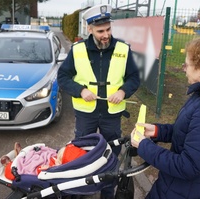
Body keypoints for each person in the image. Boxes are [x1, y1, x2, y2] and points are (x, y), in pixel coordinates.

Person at [131, 36, 200, 199]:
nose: (183, 68)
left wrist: (144, 146)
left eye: (187, 64)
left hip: (189, 190)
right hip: (179, 186)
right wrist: (157, 131)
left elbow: (188, 166)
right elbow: (188, 132)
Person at [57, 4, 140, 158]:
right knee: (82, 150)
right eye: (100, 31)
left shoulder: (123, 49)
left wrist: (123, 91)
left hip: (112, 114)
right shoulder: (77, 50)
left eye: (108, 29)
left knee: (113, 149)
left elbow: (134, 77)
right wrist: (80, 90)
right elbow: (62, 77)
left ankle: (110, 177)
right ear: (90, 29)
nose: (106, 35)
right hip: (85, 114)